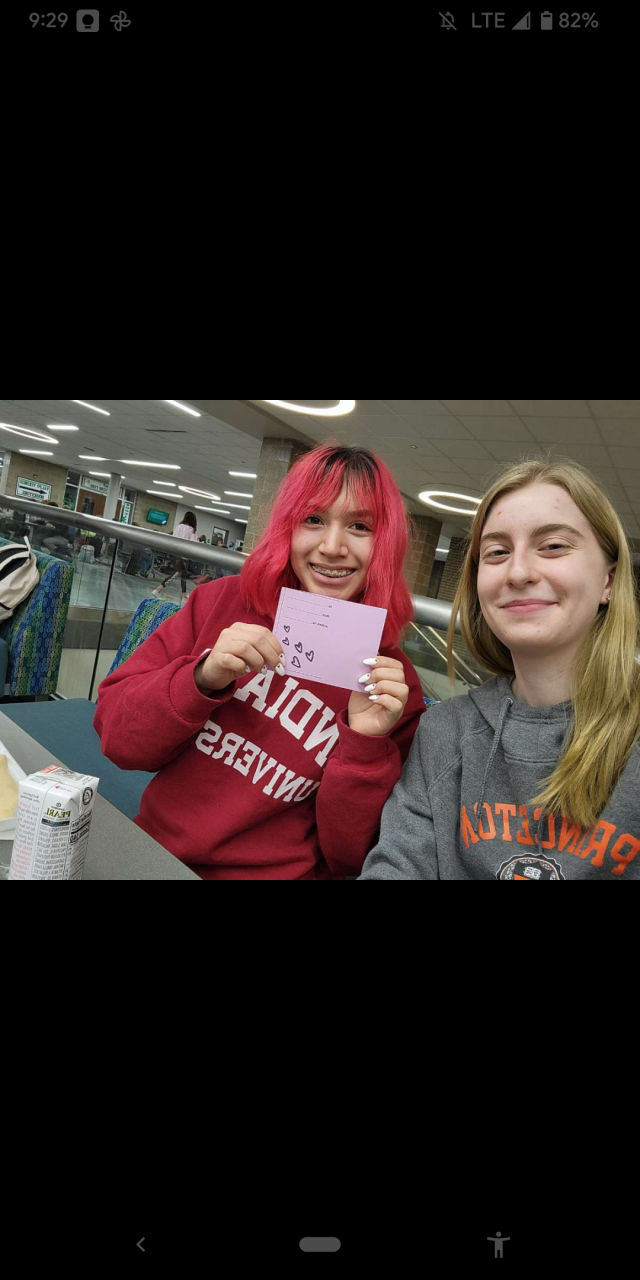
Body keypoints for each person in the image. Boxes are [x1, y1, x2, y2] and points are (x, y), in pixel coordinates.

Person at [93, 444, 426, 880]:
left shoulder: (394, 688)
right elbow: (117, 739)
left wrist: (364, 746)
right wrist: (200, 678)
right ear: (287, 527)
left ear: (386, 545)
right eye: (313, 519)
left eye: (360, 526)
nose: (332, 547)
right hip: (154, 855)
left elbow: (351, 857)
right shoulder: (220, 602)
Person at [359, 458, 640, 880]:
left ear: (609, 581)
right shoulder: (445, 731)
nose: (518, 572)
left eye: (553, 546)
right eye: (497, 552)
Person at [152, 510, 199, 605]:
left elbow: (173, 537)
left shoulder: (178, 527)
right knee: (176, 573)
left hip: (175, 552)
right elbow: (194, 543)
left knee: (183, 574)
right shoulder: (191, 530)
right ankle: (159, 589)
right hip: (184, 555)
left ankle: (183, 595)